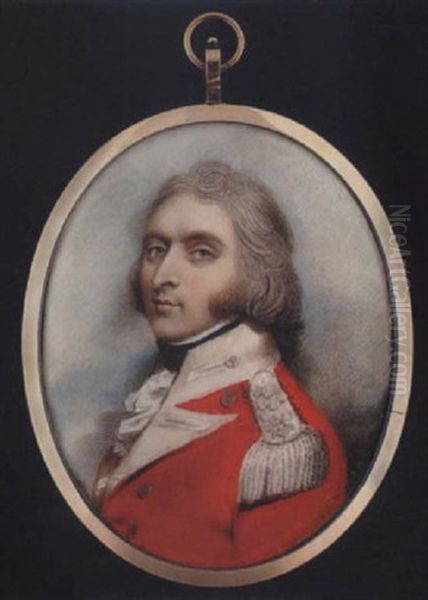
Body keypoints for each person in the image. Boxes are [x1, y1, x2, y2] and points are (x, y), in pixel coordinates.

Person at [93, 161, 347, 568]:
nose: (162, 276)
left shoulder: (287, 446)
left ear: (255, 272)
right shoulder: (155, 393)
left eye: (201, 252)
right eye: (156, 250)